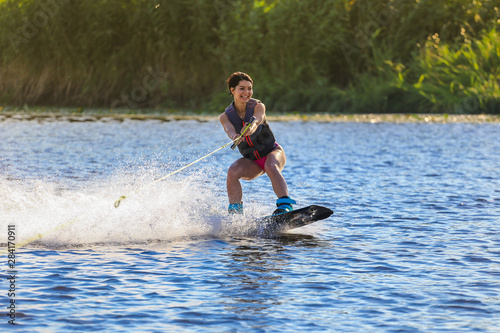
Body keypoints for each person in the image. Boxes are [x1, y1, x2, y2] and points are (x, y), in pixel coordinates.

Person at [218, 72, 295, 215]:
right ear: (232, 90)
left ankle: (285, 206)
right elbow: (228, 129)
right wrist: (234, 136)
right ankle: (235, 213)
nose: (246, 92)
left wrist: (251, 128)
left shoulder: (258, 106)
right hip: (252, 161)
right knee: (233, 171)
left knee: (270, 166)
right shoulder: (224, 116)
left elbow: (258, 119)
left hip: (273, 152)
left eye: (249, 88)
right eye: (242, 88)